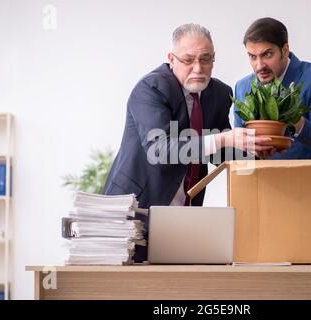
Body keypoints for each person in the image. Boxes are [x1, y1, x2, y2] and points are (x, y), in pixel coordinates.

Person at [103, 24, 271, 262]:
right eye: (189, 59)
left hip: (184, 217)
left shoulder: (220, 93)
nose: (197, 68)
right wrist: (224, 138)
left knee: (180, 286)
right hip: (134, 210)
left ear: (214, 60)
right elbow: (160, 150)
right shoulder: (151, 88)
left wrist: (254, 149)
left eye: (205, 59)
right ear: (171, 59)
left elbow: (218, 153)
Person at [234, 17, 311, 159]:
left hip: (309, 179)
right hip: (260, 179)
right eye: (252, 56)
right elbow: (239, 151)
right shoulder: (242, 86)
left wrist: (294, 119)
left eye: (267, 54)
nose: (259, 66)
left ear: (285, 50)